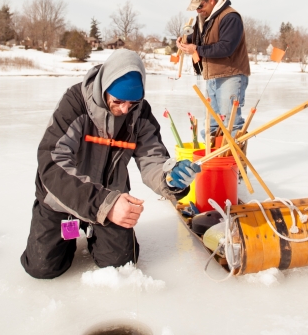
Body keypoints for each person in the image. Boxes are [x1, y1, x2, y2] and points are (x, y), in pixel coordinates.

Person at [20, 49, 200, 279]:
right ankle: (70, 228)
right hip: (64, 200)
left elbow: (152, 158)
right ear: (104, 89)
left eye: (133, 102)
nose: (125, 109)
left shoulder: (139, 113)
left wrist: (170, 177)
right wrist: (105, 204)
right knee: (43, 268)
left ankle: (97, 231)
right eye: (118, 101)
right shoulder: (74, 104)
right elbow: (53, 164)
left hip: (110, 199)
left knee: (120, 263)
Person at [177, 0, 250, 135]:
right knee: (212, 127)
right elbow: (199, 38)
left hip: (230, 75)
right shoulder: (204, 18)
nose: (198, 10)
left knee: (231, 126)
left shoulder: (230, 17)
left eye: (200, 6)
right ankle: (214, 158)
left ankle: (233, 159)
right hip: (212, 76)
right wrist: (185, 41)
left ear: (211, 0)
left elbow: (225, 47)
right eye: (196, 8)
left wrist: (196, 49)